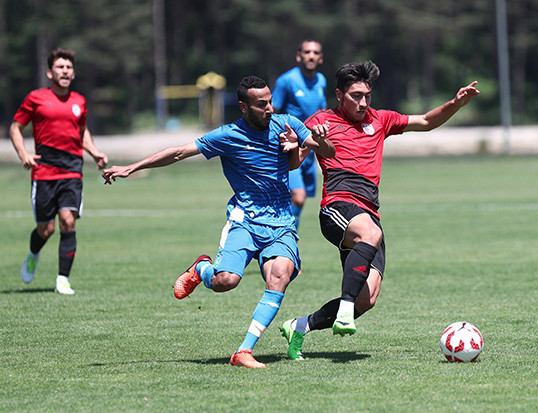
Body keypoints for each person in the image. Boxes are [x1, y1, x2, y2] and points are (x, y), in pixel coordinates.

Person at [102, 76, 334, 368]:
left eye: (270, 102)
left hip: (281, 223)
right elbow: (178, 152)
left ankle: (244, 351)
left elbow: (327, 151)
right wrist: (132, 167)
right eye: (261, 104)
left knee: (280, 276)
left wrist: (316, 140)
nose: (269, 109)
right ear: (243, 107)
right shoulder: (228, 135)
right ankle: (201, 269)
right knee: (226, 281)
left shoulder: (286, 124)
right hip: (246, 221)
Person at [279, 60, 479, 360]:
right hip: (337, 205)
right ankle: (345, 310)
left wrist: (456, 103)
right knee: (370, 236)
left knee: (367, 299)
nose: (363, 103)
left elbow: (426, 121)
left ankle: (300, 326)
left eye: (367, 96)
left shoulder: (380, 119)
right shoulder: (321, 121)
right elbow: (294, 163)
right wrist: (299, 145)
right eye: (356, 96)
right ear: (339, 95)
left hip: (368, 211)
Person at [10, 48, 108, 295]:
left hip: (72, 170)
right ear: (49, 72)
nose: (65, 71)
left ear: (73, 73)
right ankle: (33, 253)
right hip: (43, 171)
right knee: (46, 230)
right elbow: (15, 128)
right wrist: (24, 154)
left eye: (69, 67)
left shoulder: (79, 101)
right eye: (60, 67)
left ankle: (63, 279)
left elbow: (82, 131)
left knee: (68, 221)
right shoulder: (36, 98)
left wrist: (94, 152)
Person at [272, 39, 327, 229]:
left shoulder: (321, 81)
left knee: (297, 199)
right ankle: (286, 238)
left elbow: (322, 112)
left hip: (310, 148)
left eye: (315, 53)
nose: (311, 56)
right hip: (290, 148)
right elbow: (271, 113)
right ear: (298, 56)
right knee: (298, 196)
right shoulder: (286, 81)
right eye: (307, 52)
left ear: (321, 58)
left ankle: (283, 234)